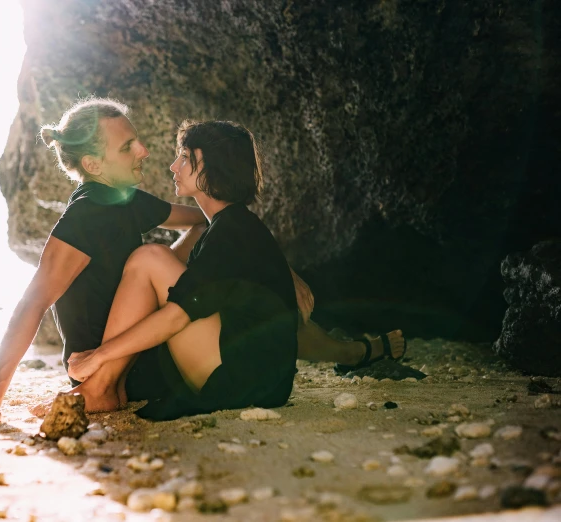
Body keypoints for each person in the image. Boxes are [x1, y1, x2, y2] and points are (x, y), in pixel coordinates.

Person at [67, 120, 405, 420]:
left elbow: (177, 317)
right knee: (152, 262)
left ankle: (101, 389)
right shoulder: (232, 226)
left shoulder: (231, 233)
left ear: (212, 168)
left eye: (185, 157)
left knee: (149, 258)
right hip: (258, 380)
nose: (173, 166)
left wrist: (98, 356)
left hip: (239, 382)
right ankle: (108, 386)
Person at [0, 98, 211, 426]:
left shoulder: (128, 201)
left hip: (148, 360)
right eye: (127, 147)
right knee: (151, 262)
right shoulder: (84, 217)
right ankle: (101, 388)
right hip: (103, 373)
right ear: (92, 164)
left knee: (152, 261)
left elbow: (204, 221)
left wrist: (162, 275)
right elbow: (32, 304)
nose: (144, 151)